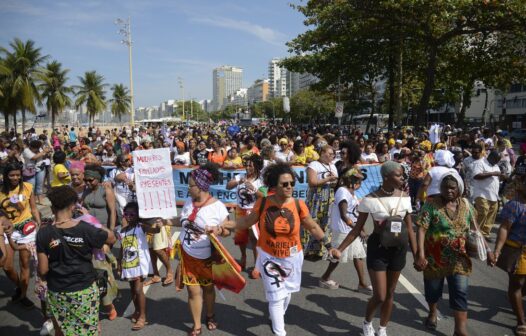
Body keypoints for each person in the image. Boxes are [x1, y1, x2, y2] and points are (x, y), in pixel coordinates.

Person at [217, 162, 338, 336]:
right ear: (274, 185)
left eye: (291, 183)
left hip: (292, 257)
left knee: (286, 292)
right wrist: (226, 224)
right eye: (284, 184)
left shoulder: (298, 204)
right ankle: (280, 331)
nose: (289, 187)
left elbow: (312, 226)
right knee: (275, 296)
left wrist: (329, 246)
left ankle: (277, 316)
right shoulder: (263, 202)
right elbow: (246, 222)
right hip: (269, 257)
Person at [331, 161, 418, 336]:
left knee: (391, 293)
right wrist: (339, 249)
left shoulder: (406, 198)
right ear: (386, 177)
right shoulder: (369, 200)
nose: (402, 178)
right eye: (398, 175)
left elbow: (409, 229)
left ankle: (382, 328)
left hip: (399, 249)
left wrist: (417, 255)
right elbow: (356, 229)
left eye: (402, 175)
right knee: (380, 295)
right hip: (378, 248)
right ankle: (367, 322)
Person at [415, 173, 494, 335]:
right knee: (433, 291)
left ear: (459, 188)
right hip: (434, 258)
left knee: (460, 291)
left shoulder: (466, 205)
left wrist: (488, 250)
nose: (448, 190)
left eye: (452, 187)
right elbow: (421, 230)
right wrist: (420, 255)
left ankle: (460, 329)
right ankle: (432, 312)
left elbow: (475, 230)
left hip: (460, 259)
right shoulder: (431, 204)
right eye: (445, 187)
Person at [36, 186, 116, 336]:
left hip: (57, 291)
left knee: (61, 329)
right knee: (88, 330)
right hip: (84, 289)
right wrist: (91, 219)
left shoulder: (43, 232)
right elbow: (111, 237)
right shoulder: (86, 228)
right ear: (73, 206)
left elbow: (43, 270)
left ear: (52, 207)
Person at [178, 163, 232, 336]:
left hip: (207, 258)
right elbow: (181, 222)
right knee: (193, 291)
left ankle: (210, 315)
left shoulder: (218, 207)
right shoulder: (188, 202)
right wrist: (164, 221)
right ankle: (196, 325)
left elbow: (228, 231)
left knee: (207, 289)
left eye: (191, 185)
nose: (188, 188)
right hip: (187, 255)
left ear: (201, 186)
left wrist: (218, 230)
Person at [319, 168, 371, 293]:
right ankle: (324, 278)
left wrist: (360, 229)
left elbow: (355, 214)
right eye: (358, 181)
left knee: (358, 256)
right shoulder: (342, 192)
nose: (360, 184)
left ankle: (362, 284)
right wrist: (358, 230)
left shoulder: (351, 193)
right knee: (337, 256)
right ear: (351, 181)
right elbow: (344, 215)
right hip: (343, 230)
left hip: (351, 230)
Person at [0, 161, 41, 309]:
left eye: (18, 174)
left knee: (24, 264)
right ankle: (20, 285)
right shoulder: (0, 191)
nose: (15, 178)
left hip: (27, 230)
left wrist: (38, 222)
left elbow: (34, 208)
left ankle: (23, 294)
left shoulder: (28, 187)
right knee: (7, 265)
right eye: (12, 175)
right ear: (6, 176)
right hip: (6, 231)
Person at [81, 165, 119, 320]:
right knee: (93, 268)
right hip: (89, 234)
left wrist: (110, 236)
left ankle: (109, 303)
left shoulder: (106, 190)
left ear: (98, 178)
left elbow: (113, 212)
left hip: (104, 234)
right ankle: (99, 299)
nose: (87, 182)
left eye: (90, 180)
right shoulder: (86, 191)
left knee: (104, 270)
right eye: (86, 179)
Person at [494, 173, 526, 336]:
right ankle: (521, 322)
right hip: (519, 252)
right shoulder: (515, 206)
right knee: (517, 285)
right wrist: (497, 250)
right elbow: (505, 228)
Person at [118, 202, 156, 331]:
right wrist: (119, 264)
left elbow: (154, 229)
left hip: (140, 264)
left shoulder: (141, 227)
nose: (128, 216)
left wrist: (159, 226)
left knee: (139, 290)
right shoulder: (122, 231)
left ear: (138, 215)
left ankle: (142, 317)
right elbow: (122, 248)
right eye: (126, 214)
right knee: (133, 290)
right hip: (128, 263)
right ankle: (137, 311)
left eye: (132, 214)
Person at [226, 154, 264, 278]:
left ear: (257, 167)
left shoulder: (261, 180)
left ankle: (257, 266)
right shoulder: (241, 176)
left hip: (253, 212)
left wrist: (253, 188)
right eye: (246, 165)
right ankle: (243, 258)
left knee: (254, 239)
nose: (247, 167)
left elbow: (264, 197)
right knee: (241, 238)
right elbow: (228, 186)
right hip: (240, 211)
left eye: (250, 165)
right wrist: (238, 181)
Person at [303, 145, 339, 259]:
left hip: (328, 196)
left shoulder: (332, 166)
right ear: (322, 153)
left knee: (325, 222)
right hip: (316, 197)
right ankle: (308, 250)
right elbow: (312, 182)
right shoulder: (314, 165)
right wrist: (327, 179)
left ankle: (321, 249)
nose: (331, 156)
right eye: (329, 154)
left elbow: (335, 182)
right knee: (313, 222)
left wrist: (332, 182)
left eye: (332, 154)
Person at [472, 150, 503, 242]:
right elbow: (476, 175)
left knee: (491, 215)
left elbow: (497, 178)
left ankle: (485, 234)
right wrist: (492, 173)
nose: (497, 161)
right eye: (496, 159)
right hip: (481, 193)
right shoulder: (480, 163)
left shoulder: (496, 166)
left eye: (498, 160)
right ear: (491, 156)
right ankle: (475, 233)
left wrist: (502, 176)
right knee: (483, 212)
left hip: (493, 195)